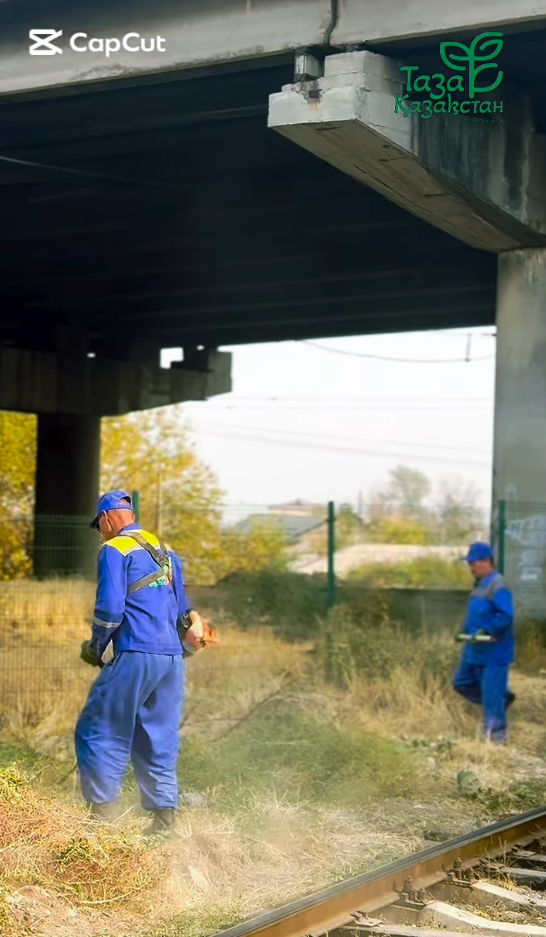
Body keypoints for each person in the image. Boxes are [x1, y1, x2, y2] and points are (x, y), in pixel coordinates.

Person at [75, 489, 207, 835]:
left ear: (106, 518)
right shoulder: (165, 551)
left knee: (98, 727)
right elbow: (182, 607)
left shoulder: (114, 549)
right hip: (171, 661)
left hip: (136, 652)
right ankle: (164, 821)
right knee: (158, 735)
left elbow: (109, 608)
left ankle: (101, 820)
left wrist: (96, 645)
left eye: (99, 526)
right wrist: (193, 630)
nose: (101, 532)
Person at [452, 542, 515, 745]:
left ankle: (496, 740)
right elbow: (476, 613)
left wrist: (487, 630)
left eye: (473, 563)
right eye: (469, 563)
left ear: (486, 561)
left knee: (490, 695)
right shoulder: (479, 585)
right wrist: (464, 630)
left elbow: (506, 615)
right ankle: (500, 699)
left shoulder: (498, 585)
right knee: (461, 682)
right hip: (474, 649)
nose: (471, 567)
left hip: (494, 653)